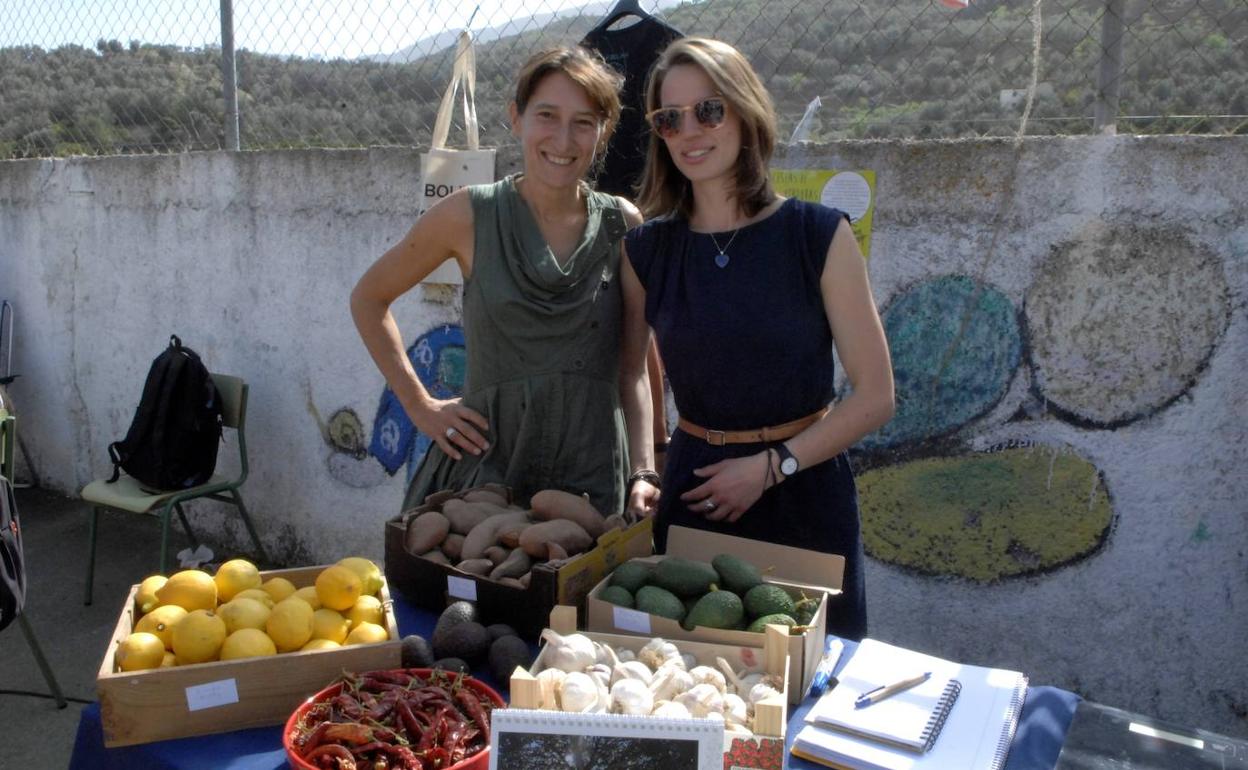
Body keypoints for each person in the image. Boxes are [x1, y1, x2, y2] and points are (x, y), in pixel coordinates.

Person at [619, 38, 895, 640]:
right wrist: (646, 466)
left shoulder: (817, 235)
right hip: (696, 493)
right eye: (670, 118)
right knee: (692, 680)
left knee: (816, 682)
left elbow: (876, 395)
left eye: (709, 110)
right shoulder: (645, 249)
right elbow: (633, 370)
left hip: (805, 486)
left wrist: (773, 466)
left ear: (745, 111)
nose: (689, 130)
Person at [351, 47, 653, 517]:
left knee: (579, 590)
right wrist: (420, 407)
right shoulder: (468, 215)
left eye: (583, 122)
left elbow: (633, 370)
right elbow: (368, 299)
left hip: (591, 480)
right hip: (484, 476)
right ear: (517, 118)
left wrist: (644, 470)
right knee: (464, 589)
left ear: (603, 131)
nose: (563, 139)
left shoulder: (623, 225)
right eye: (547, 116)